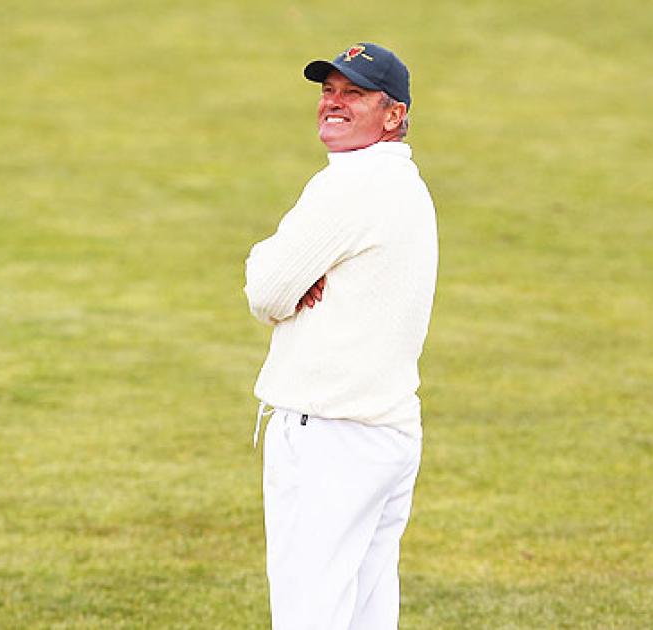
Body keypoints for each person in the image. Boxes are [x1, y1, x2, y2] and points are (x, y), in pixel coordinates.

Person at [243, 42, 438, 629]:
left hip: (329, 434)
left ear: (394, 114)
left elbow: (265, 290)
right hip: (387, 434)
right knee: (365, 614)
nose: (334, 103)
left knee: (312, 615)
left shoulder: (351, 184)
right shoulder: (405, 184)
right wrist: (295, 274)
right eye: (329, 91)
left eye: (355, 94)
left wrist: (281, 268)